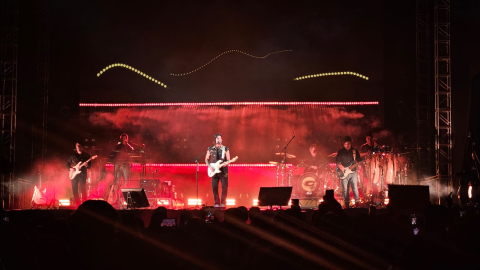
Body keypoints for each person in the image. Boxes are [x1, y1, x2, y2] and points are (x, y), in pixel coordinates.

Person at [205, 133, 231, 207]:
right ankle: (216, 203)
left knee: (224, 188)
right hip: (214, 171)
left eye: (220, 138)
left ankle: (223, 203)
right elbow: (206, 159)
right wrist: (209, 167)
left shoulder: (225, 149)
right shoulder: (210, 149)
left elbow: (228, 160)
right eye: (218, 138)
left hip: (223, 171)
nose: (219, 139)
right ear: (215, 140)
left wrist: (225, 164)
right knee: (215, 187)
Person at [336, 136, 362, 208]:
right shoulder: (341, 151)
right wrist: (340, 165)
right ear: (344, 144)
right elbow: (337, 161)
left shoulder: (355, 151)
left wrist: (361, 164)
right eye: (345, 144)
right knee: (345, 189)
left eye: (348, 144)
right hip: (344, 173)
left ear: (350, 143)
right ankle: (346, 204)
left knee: (355, 188)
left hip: (353, 172)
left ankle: (357, 203)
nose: (347, 145)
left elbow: (359, 160)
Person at [66, 141, 92, 206]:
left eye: (79, 146)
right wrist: (70, 168)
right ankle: (78, 205)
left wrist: (86, 165)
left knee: (82, 188)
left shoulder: (86, 155)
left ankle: (85, 205)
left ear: (82, 147)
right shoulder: (72, 155)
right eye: (77, 146)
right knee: (75, 189)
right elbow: (67, 164)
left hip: (82, 174)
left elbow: (89, 166)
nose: (78, 147)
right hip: (74, 174)